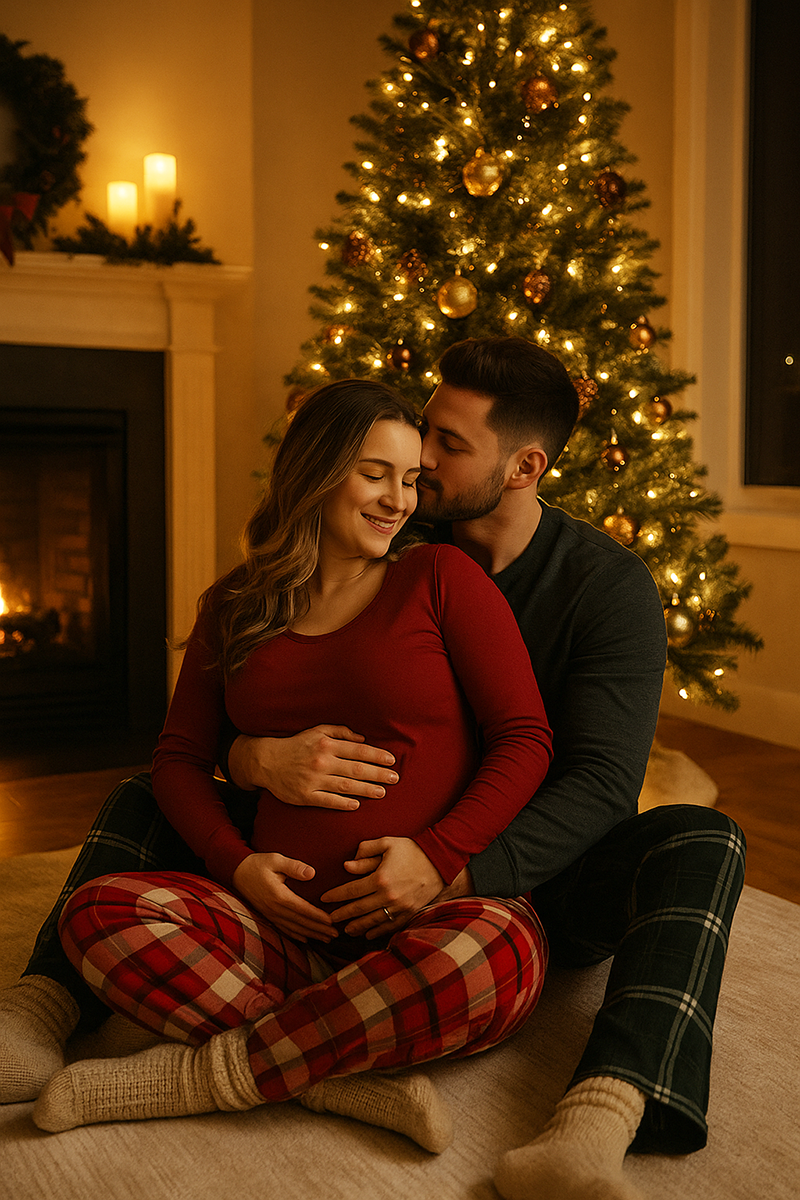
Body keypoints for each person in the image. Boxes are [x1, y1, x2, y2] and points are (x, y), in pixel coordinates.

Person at [0, 336, 745, 1200]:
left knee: (690, 848)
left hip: (510, 871)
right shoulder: (382, 543)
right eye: (406, 447)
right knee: (130, 831)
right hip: (298, 911)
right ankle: (51, 1007)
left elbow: (588, 776)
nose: (416, 470)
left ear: (523, 466)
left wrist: (446, 863)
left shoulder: (590, 587)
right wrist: (250, 763)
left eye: (444, 447)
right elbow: (197, 738)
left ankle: (602, 1110)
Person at [28, 378, 554, 1147]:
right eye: (375, 473)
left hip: (431, 920)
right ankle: (335, 1073)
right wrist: (237, 865)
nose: (398, 500)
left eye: (410, 480)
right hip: (285, 945)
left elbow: (526, 737)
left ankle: (204, 1075)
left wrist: (435, 858)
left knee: (496, 955)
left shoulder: (438, 579)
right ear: (314, 469)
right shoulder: (236, 603)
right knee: (100, 915)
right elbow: (177, 759)